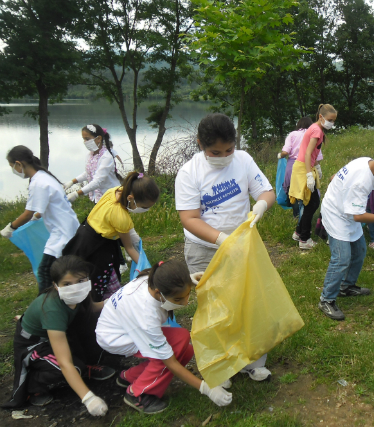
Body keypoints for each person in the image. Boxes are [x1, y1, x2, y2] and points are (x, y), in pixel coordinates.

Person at [174, 113, 275, 381]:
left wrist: (261, 206)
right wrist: (221, 239)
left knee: (246, 302)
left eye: (229, 149)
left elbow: (266, 191)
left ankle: (252, 360)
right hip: (205, 249)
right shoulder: (189, 173)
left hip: (242, 245)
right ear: (200, 145)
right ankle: (221, 364)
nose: (224, 156)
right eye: (215, 152)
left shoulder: (242, 160)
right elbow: (189, 217)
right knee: (215, 308)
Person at [96, 260, 232, 414]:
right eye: (178, 299)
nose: (186, 303)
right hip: (116, 337)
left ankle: (129, 376)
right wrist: (207, 389)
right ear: (158, 293)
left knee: (183, 345)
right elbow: (170, 362)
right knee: (171, 352)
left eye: (187, 295)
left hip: (119, 324)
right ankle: (137, 393)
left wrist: (188, 279)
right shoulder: (147, 316)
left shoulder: (152, 278)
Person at [3, 256, 114, 415]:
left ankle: (83, 367)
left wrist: (118, 299)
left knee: (96, 326)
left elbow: (95, 308)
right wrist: (89, 398)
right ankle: (34, 385)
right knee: (71, 367)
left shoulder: (80, 296)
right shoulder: (53, 309)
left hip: (57, 334)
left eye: (81, 281)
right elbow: (64, 362)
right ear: (56, 286)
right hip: (34, 344)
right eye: (67, 284)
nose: (75, 287)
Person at [318, 143, 374, 320]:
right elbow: (358, 216)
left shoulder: (369, 164)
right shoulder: (361, 181)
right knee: (341, 258)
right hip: (336, 214)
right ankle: (326, 299)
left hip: (347, 209)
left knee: (359, 250)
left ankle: (346, 286)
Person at [63, 172, 159, 301]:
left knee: (82, 276)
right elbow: (129, 248)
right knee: (101, 281)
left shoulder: (114, 191)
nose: (146, 210)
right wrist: (147, 268)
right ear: (131, 198)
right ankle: (107, 306)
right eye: (145, 207)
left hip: (83, 235)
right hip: (97, 248)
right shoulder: (120, 216)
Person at [2, 146, 80, 293]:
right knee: (61, 272)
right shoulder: (43, 176)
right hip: (66, 228)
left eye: (12, 167)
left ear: (19, 164)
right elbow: (43, 207)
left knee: (45, 271)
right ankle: (58, 302)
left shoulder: (39, 182)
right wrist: (36, 216)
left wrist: (10, 228)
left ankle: (43, 310)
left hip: (63, 232)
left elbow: (27, 213)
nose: (14, 170)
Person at [289, 104, 337, 249]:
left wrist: (316, 165)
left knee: (312, 202)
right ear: (321, 117)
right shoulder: (316, 130)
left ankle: (299, 233)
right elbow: (308, 152)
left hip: (305, 166)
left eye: (334, 120)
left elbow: (311, 153)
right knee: (311, 204)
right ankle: (304, 239)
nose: (332, 123)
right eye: (330, 119)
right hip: (304, 168)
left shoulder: (317, 129)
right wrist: (309, 173)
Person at [63, 124, 122, 203]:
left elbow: (97, 181)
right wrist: (72, 182)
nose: (85, 142)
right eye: (84, 139)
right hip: (98, 198)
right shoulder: (90, 155)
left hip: (111, 197)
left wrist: (76, 194)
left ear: (99, 139)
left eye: (87, 139)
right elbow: (89, 173)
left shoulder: (107, 157)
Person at [278, 117, 322, 219]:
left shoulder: (292, 134)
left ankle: (297, 216)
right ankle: (304, 218)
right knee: (307, 194)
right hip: (308, 166)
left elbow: (286, 152)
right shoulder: (314, 134)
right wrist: (318, 168)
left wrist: (280, 156)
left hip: (292, 168)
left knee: (293, 192)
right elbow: (317, 157)